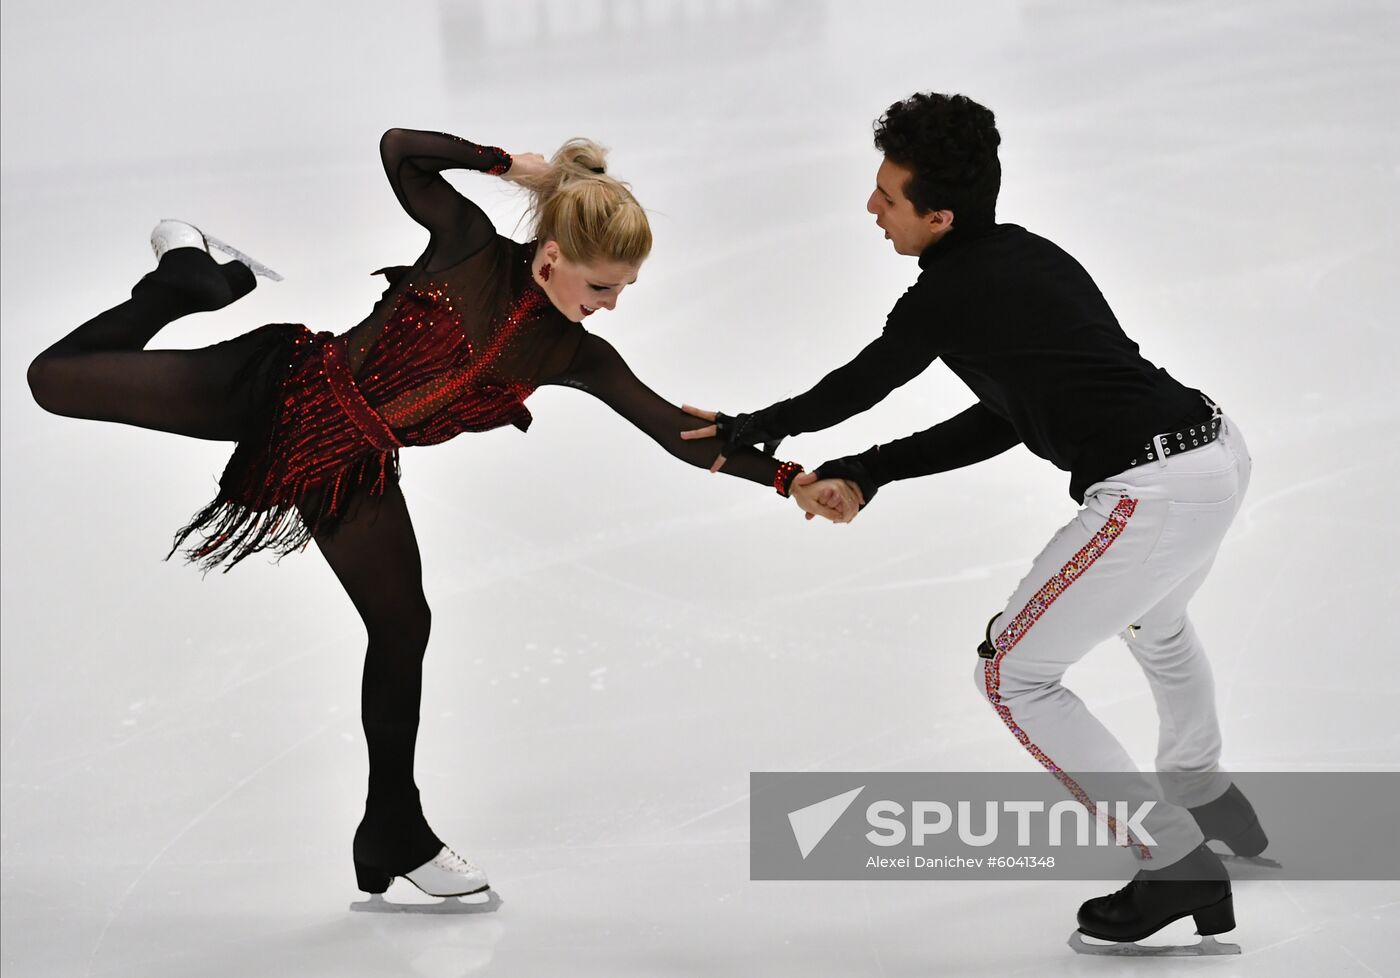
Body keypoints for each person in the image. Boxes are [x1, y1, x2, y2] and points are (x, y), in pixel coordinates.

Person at [26, 128, 843, 902]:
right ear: (552, 256)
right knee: (53, 379)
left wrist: (788, 477)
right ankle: (183, 285)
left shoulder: (573, 353)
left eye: (625, 290)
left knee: (402, 624)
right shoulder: (469, 249)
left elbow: (676, 433)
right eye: (601, 286)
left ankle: (393, 831)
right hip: (278, 385)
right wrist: (510, 165)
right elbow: (401, 152)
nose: (612, 305)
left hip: (347, 468)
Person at [680, 93, 1269, 954]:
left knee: (1014, 674)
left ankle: (1175, 859)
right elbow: (1008, 414)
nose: (872, 210)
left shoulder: (945, 296)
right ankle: (1205, 792)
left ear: (941, 215)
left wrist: (752, 429)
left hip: (1153, 493)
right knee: (1160, 623)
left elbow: (863, 380)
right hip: (1217, 452)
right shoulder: (1030, 258)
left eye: (889, 197)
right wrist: (869, 469)